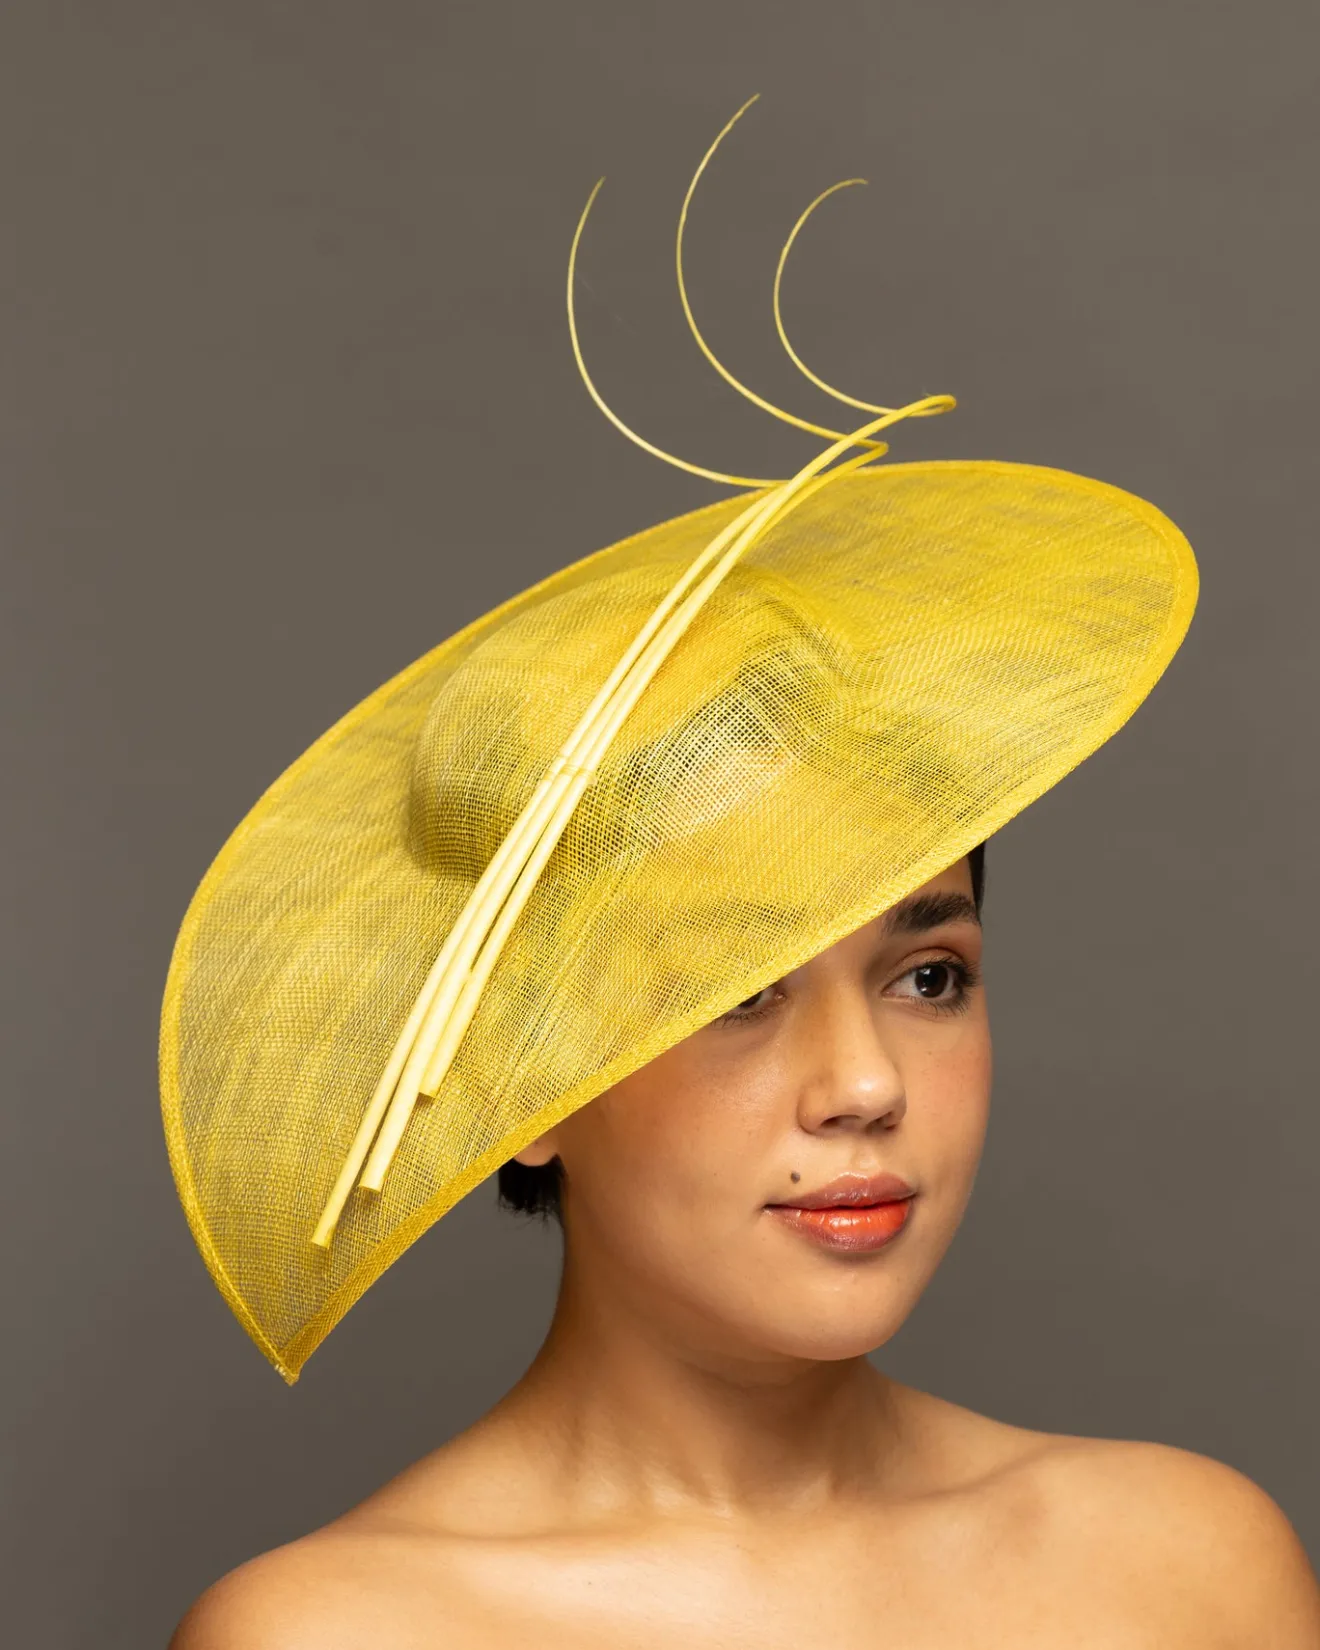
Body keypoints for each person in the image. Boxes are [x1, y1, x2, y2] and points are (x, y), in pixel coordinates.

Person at [165, 104, 1320, 1648]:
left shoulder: (1187, 1570)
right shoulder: (341, 1631)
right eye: (733, 987)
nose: (865, 1085)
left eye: (929, 975)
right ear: (521, 1082)